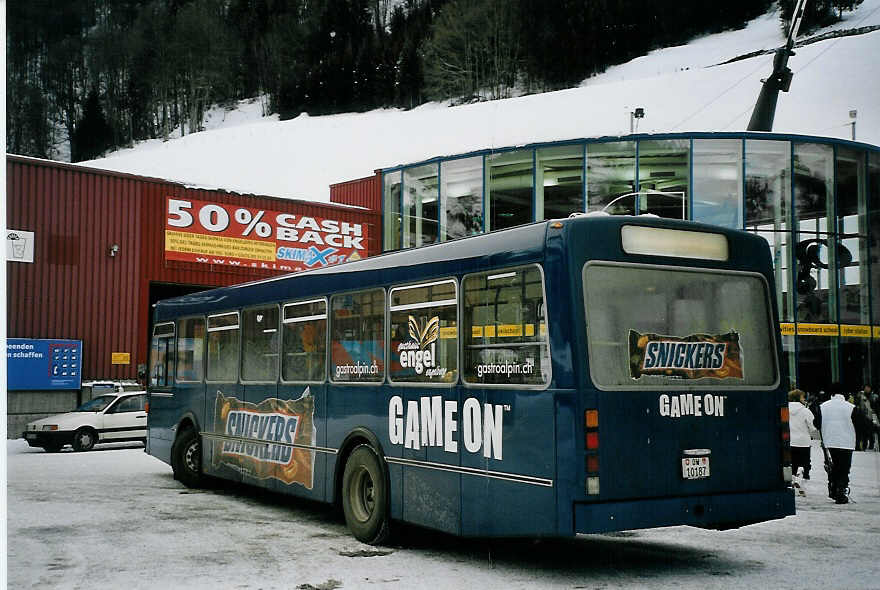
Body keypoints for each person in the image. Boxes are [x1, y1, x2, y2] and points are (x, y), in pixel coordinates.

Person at [814, 384, 860, 504]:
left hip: (829, 441)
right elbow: (861, 424)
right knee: (844, 468)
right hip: (846, 442)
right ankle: (841, 490)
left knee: (832, 466)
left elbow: (816, 423)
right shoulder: (851, 407)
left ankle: (833, 488)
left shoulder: (823, 406)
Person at [788, 389, 817, 486]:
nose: (804, 399)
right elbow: (813, 426)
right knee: (803, 463)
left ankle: (792, 479)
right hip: (803, 442)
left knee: (792, 462)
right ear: (798, 398)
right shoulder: (805, 411)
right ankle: (801, 480)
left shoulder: (785, 409)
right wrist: (815, 436)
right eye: (803, 397)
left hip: (790, 441)